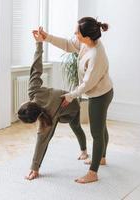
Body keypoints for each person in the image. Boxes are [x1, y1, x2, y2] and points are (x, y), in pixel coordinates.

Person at [37, 16, 114, 183]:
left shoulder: (96, 55)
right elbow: (67, 44)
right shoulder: (87, 43)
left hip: (100, 95)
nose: (74, 34)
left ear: (86, 36)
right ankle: (102, 158)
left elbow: (87, 84)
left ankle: (93, 173)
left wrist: (70, 96)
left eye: (77, 32)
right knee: (101, 126)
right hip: (101, 91)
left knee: (96, 132)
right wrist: (47, 37)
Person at [18, 30, 88, 180]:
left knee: (76, 127)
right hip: (54, 111)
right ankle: (82, 149)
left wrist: (34, 168)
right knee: (47, 132)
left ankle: (84, 150)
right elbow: (36, 68)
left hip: (72, 107)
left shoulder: (35, 94)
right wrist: (38, 44)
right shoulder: (33, 92)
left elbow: (40, 141)